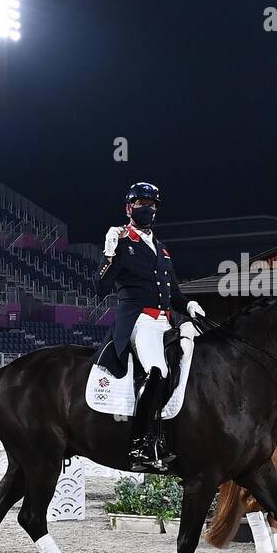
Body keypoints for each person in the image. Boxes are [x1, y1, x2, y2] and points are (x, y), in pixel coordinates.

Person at [97, 182, 205, 471]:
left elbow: (174, 292)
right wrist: (109, 255)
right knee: (157, 371)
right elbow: (101, 287)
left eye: (153, 205)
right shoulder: (123, 242)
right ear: (129, 208)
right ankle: (137, 446)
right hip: (138, 320)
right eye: (142, 204)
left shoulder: (161, 248)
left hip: (164, 321)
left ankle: (166, 435)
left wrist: (189, 305)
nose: (148, 209)